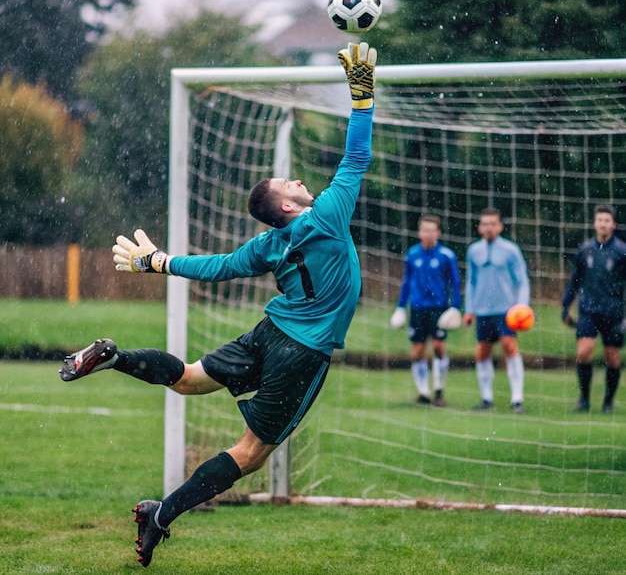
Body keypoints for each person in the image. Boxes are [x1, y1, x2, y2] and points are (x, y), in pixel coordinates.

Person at [59, 42, 377, 568]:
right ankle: (160, 516)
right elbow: (357, 156)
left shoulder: (271, 244)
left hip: (268, 334)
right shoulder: (330, 215)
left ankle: (114, 356)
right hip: (302, 353)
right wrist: (361, 98)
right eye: (290, 182)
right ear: (288, 204)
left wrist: (158, 262)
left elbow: (219, 265)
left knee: (187, 378)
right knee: (250, 454)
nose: (299, 179)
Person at [462, 207, 530, 413]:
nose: (488, 227)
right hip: (482, 310)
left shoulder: (510, 250)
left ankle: (517, 399)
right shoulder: (474, 250)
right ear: (480, 227)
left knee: (509, 347)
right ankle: (486, 399)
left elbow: (522, 280)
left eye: (492, 223)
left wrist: (521, 306)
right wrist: (469, 309)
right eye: (484, 223)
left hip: (506, 311)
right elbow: (472, 282)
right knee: (482, 352)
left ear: (500, 226)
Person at [390, 214, 461, 406]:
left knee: (438, 347)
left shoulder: (447, 255)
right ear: (419, 232)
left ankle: (438, 391)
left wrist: (455, 307)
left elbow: (455, 283)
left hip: (438, 308)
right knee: (417, 351)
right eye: (424, 230)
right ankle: (423, 393)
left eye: (432, 230)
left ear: (438, 233)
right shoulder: (412, 254)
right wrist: (400, 308)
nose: (428, 234)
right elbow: (407, 282)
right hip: (418, 309)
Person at [561, 204, 626, 413]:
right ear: (594, 223)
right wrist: (565, 305)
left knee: (612, 357)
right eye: (600, 220)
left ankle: (608, 402)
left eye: (607, 221)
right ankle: (584, 400)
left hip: (614, 312)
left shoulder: (621, 251)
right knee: (583, 352)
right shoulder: (585, 249)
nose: (603, 224)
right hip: (588, 309)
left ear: (614, 225)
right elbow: (575, 280)